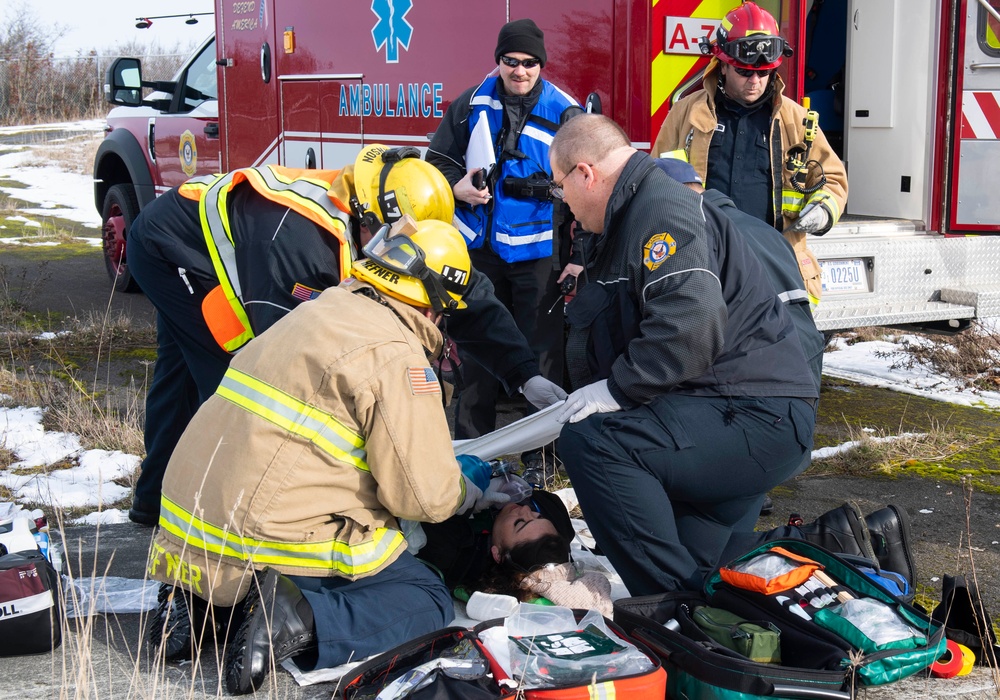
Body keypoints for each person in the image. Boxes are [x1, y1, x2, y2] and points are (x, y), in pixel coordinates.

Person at [146, 219, 511, 694]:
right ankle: (293, 619)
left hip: (189, 526)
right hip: (260, 536)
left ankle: (197, 603)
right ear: (432, 301)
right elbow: (423, 498)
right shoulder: (397, 353)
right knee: (424, 596)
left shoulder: (318, 309)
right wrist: (469, 486)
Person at [125, 144, 566, 526]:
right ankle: (215, 511)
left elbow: (462, 291)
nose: (397, 253)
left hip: (213, 236)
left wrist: (523, 374)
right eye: (393, 240)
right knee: (232, 379)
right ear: (368, 217)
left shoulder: (387, 205)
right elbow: (287, 360)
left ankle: (150, 502)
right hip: (175, 249)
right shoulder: (298, 245)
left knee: (178, 374)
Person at [548, 113, 818, 597]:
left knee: (593, 444)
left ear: (585, 173)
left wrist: (614, 390)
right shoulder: (635, 212)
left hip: (750, 415)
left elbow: (688, 328)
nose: (562, 202)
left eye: (558, 186)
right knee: (715, 574)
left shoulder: (659, 211)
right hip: (734, 410)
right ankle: (815, 558)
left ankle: (674, 615)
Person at [426, 19, 580, 468]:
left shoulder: (565, 111)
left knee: (541, 356)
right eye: (511, 61)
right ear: (498, 61)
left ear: (541, 65)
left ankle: (543, 459)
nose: (520, 71)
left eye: (530, 63)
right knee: (477, 351)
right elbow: (437, 161)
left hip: (539, 255)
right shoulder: (470, 105)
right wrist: (456, 189)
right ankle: (471, 453)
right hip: (480, 251)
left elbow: (591, 185)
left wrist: (580, 258)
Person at [651, 1, 847, 308]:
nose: (754, 81)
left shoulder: (797, 120)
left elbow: (832, 178)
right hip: (703, 260)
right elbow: (657, 178)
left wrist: (822, 211)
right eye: (744, 71)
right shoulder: (686, 115)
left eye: (764, 72)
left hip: (774, 262)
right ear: (723, 64)